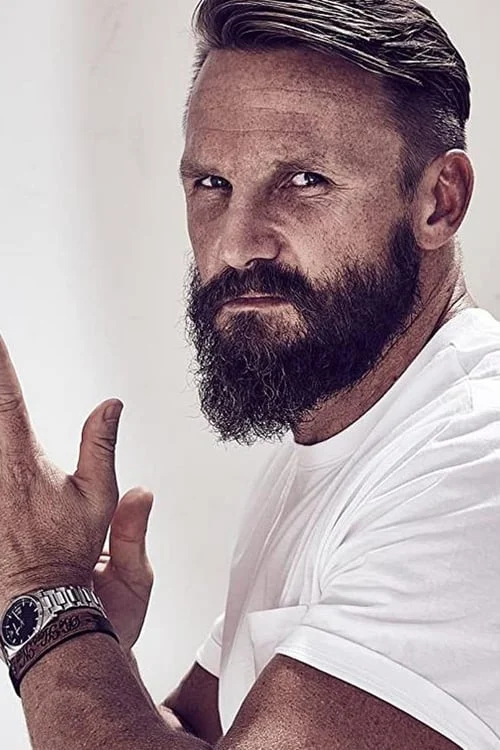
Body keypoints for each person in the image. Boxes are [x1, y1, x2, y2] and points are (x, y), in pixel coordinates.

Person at [0, 0, 499, 748]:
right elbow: (196, 736)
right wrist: (88, 637)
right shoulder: (337, 445)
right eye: (211, 183)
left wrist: (43, 589)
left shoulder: (472, 468)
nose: (237, 245)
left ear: (440, 201)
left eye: (304, 180)